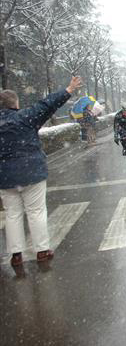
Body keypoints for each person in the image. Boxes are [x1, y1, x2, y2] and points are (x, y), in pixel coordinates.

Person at [0, 76, 83, 269]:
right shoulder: (25, 117)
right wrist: (68, 89)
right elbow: (47, 104)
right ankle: (42, 250)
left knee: (12, 214)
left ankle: (16, 255)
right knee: (36, 211)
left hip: (4, 176)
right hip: (31, 172)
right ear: (16, 103)